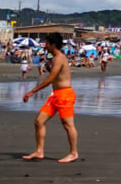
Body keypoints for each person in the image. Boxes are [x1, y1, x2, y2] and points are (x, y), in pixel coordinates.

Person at [22, 34, 79, 163]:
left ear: (53, 44)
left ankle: (73, 153)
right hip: (56, 95)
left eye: (47, 43)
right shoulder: (55, 58)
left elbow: (51, 78)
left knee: (68, 125)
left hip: (65, 95)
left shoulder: (59, 58)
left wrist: (32, 92)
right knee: (39, 121)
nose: (45, 46)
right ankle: (39, 151)